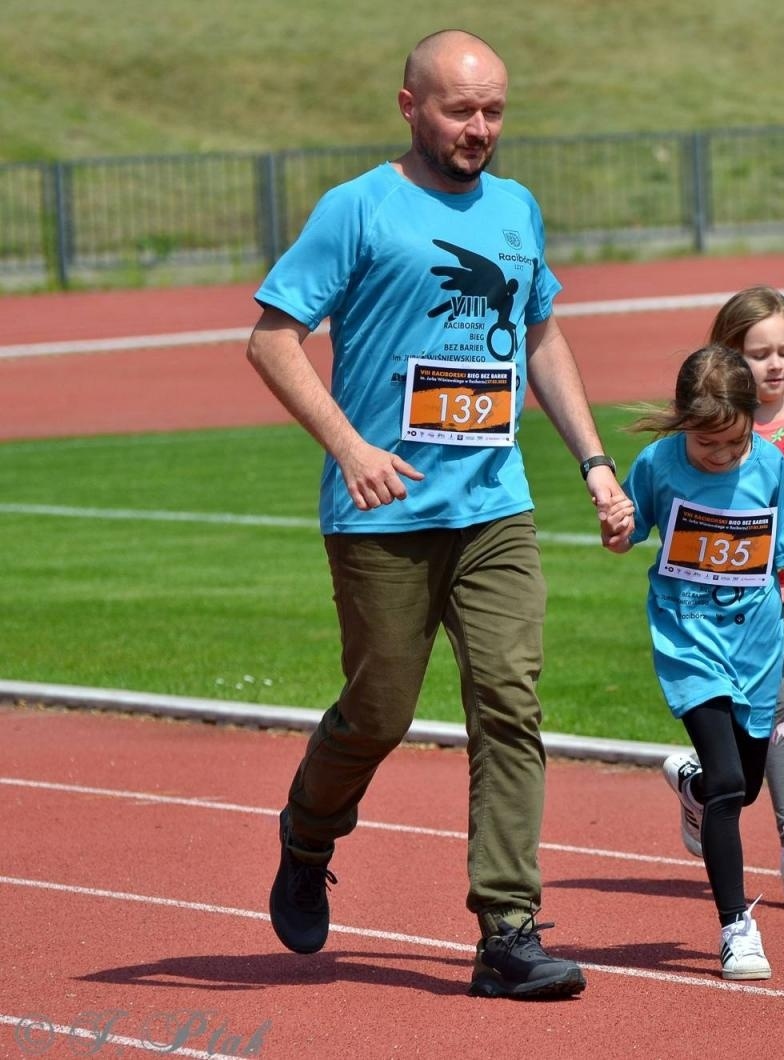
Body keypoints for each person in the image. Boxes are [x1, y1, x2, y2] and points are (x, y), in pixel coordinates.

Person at [246, 29, 632, 1000]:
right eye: (461, 109)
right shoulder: (357, 209)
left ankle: (506, 928)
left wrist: (593, 462)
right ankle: (307, 831)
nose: (480, 129)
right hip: (383, 512)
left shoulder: (517, 208)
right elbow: (273, 339)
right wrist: (350, 447)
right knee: (378, 711)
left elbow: (541, 331)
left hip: (494, 508)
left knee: (511, 703)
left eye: (494, 110)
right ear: (410, 104)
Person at [606, 344, 784, 980]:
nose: (725, 456)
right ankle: (737, 927)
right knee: (733, 787)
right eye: (710, 446)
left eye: (735, 443)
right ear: (683, 422)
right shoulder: (658, 465)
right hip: (688, 642)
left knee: (742, 784)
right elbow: (626, 535)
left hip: (757, 645)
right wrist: (616, 525)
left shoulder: (768, 466)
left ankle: (693, 787)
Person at [659, 285, 784, 904]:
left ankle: (723, 801)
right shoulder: (710, 429)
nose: (774, 364)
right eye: (758, 353)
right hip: (730, 604)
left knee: (778, 713)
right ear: (727, 360)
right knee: (782, 709)